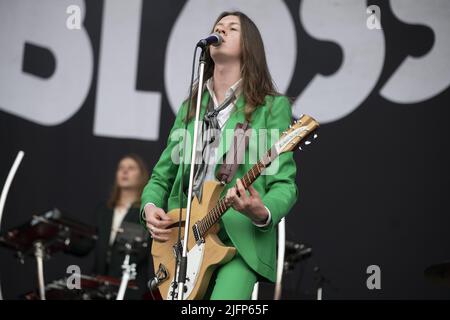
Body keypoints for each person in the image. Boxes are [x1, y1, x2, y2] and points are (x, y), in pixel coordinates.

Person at [141, 11, 298, 300]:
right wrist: (150, 208)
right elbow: (161, 177)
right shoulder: (191, 109)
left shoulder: (270, 107)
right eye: (217, 27)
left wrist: (260, 211)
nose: (221, 31)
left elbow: (284, 184)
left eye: (232, 28)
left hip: (240, 240)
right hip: (183, 240)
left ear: (249, 46)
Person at [93, 154, 152, 299]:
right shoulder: (104, 210)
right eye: (121, 168)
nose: (124, 172)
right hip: (101, 287)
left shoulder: (146, 211)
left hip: (131, 287)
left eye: (131, 168)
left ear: (142, 175)